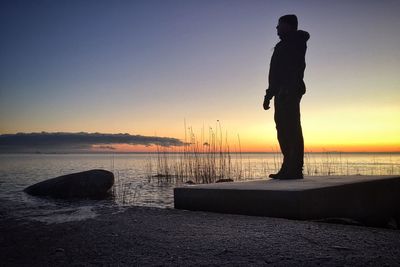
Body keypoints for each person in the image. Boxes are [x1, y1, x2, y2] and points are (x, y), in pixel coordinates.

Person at [263, 14, 310, 180]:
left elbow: (295, 68)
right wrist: (269, 94)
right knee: (282, 130)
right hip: (280, 92)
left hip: (289, 91)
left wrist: (288, 88)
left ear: (289, 26)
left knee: (291, 129)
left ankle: (295, 169)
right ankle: (287, 167)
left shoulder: (295, 42)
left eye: (279, 25)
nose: (276, 28)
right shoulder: (282, 45)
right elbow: (275, 73)